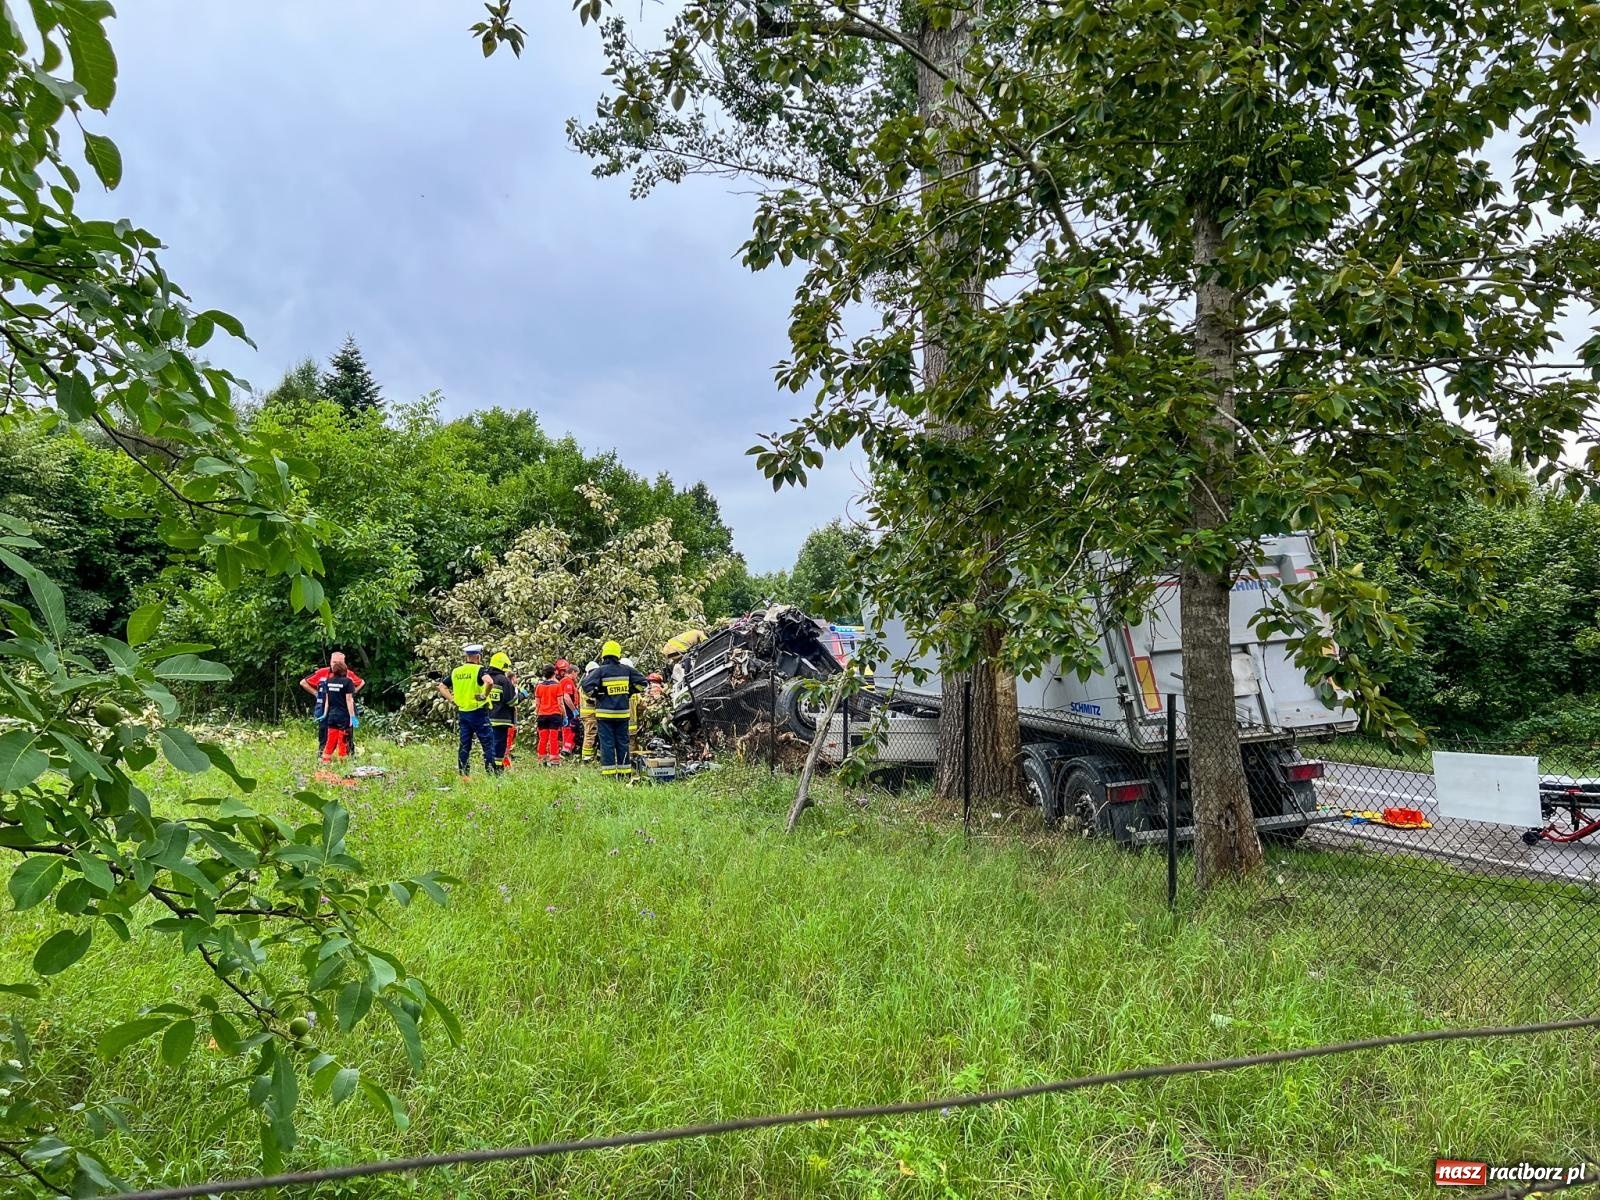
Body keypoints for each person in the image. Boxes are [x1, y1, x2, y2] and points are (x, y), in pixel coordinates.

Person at [582, 642, 648, 778]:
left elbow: (586, 685)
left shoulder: (600, 671)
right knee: (623, 743)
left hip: (604, 715)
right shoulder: (626, 670)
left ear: (604, 654)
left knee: (607, 744)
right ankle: (625, 773)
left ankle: (609, 774)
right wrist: (629, 692)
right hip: (623, 714)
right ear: (618, 654)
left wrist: (598, 693)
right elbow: (643, 683)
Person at [435, 643, 499, 780]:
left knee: (464, 745)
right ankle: (492, 775)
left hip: (463, 712)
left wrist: (452, 700)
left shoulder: (456, 671)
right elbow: (489, 682)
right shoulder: (479, 670)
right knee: (488, 744)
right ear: (477, 656)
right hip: (479, 712)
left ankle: (464, 775)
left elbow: (441, 686)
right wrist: (484, 696)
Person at [301, 652, 365, 754]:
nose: (336, 664)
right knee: (325, 736)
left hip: (344, 711)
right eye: (334, 662)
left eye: (339, 662)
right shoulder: (323, 673)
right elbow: (303, 682)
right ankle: (323, 756)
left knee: (345, 737)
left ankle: (346, 757)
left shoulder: (349, 676)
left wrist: (352, 693)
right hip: (326, 709)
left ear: (344, 663)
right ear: (330, 661)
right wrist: (316, 694)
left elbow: (360, 684)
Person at [317, 661, 358, 764]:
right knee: (342, 741)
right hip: (343, 717)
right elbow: (349, 700)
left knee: (330, 741)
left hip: (331, 716)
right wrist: (352, 717)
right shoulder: (348, 682)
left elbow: (327, 701)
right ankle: (343, 765)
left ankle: (325, 762)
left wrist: (324, 714)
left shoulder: (328, 681)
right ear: (344, 670)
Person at [486, 652, 518, 769]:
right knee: (499, 746)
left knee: (489, 745)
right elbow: (512, 701)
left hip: (486, 718)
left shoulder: (485, 678)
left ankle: (489, 767)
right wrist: (522, 695)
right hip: (501, 719)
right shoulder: (503, 680)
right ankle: (498, 769)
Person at [533, 665, 567, 766]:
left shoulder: (539, 687)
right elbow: (560, 703)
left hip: (542, 715)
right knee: (553, 738)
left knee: (542, 738)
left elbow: (537, 704)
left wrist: (537, 714)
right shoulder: (557, 686)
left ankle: (541, 759)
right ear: (554, 673)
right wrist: (564, 716)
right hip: (554, 715)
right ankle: (554, 761)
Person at [556, 659, 579, 756]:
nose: (576, 676)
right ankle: (566, 751)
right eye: (577, 674)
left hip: (564, 710)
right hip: (568, 710)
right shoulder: (568, 681)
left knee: (567, 730)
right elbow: (566, 697)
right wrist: (574, 710)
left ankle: (566, 750)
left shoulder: (563, 681)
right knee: (570, 729)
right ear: (573, 672)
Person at [578, 660, 599, 765]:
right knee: (590, 735)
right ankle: (587, 758)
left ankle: (594, 756)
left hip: (590, 715)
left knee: (594, 736)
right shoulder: (587, 684)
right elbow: (590, 699)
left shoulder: (587, 682)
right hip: (590, 715)